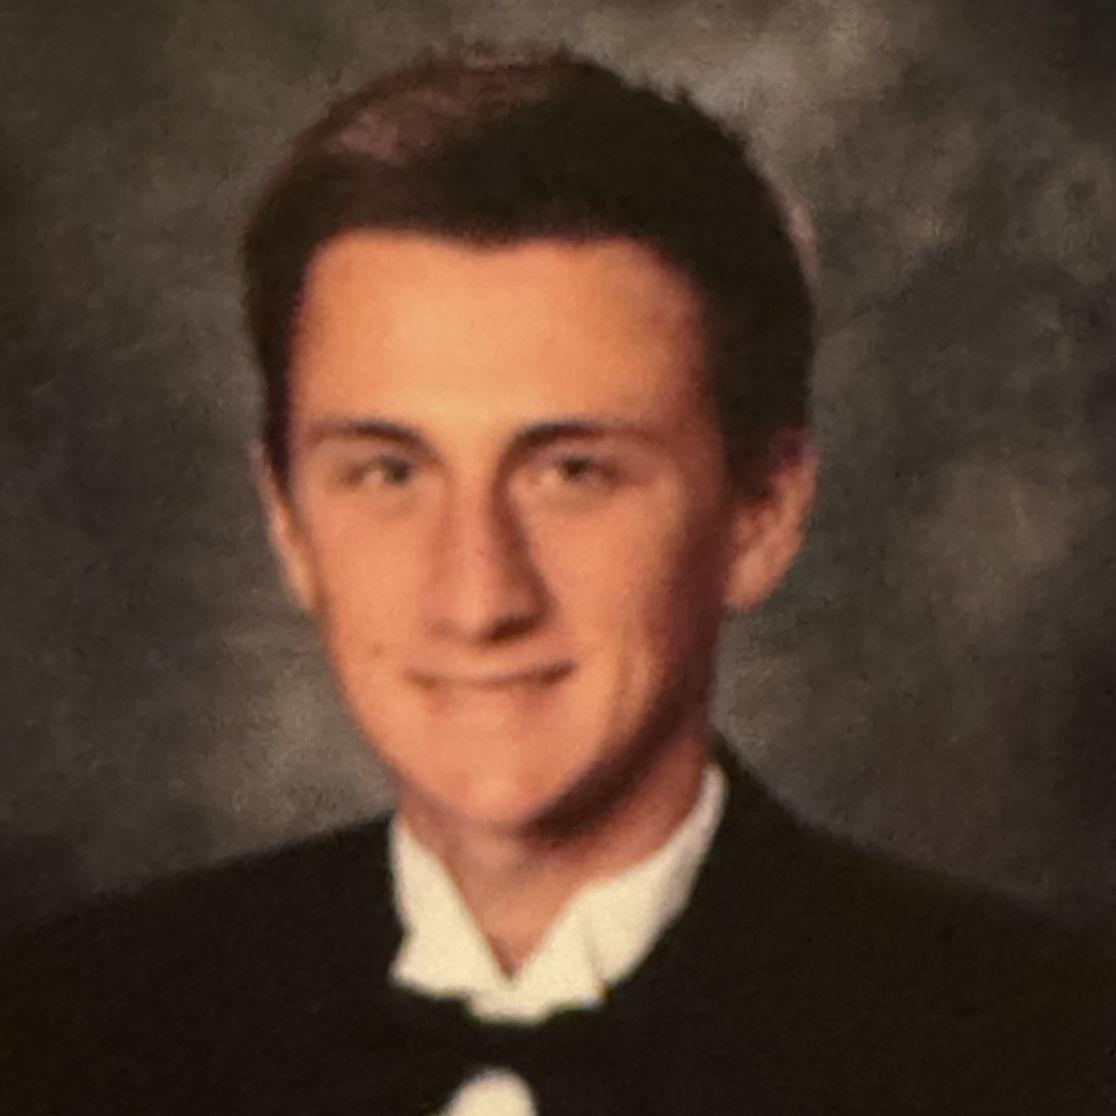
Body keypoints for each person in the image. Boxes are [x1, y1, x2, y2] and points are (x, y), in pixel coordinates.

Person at [0, 43, 1110, 1116]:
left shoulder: (1049, 1052)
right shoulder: (64, 1032)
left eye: (573, 472)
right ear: (287, 520)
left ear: (762, 513)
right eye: (389, 472)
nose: (478, 597)